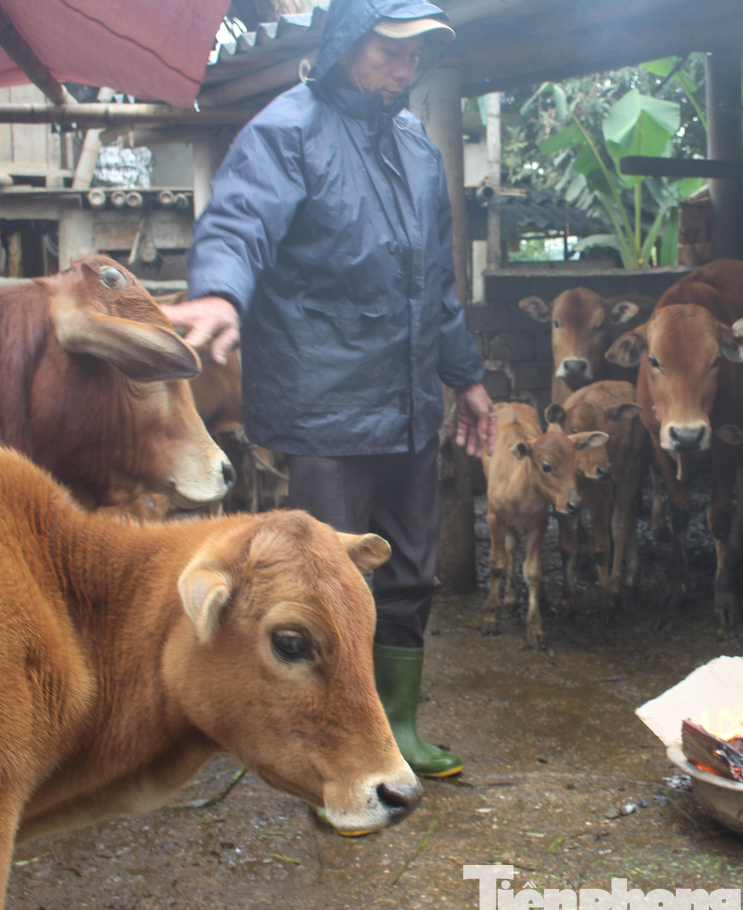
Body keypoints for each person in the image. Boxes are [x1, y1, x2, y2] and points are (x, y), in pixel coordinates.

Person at [165, 0, 495, 781]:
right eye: (389, 50)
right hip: (326, 403)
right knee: (321, 593)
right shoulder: (289, 129)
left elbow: (437, 286)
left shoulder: (417, 149)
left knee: (410, 571)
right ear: (348, 42)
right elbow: (239, 220)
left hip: (410, 402)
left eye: (415, 57)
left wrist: (468, 378)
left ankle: (400, 729)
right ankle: (326, 752)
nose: (403, 69)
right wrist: (219, 291)